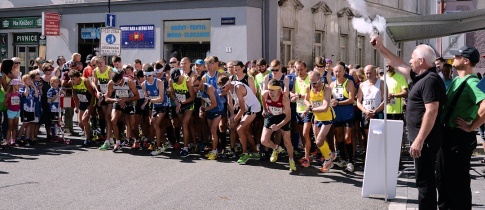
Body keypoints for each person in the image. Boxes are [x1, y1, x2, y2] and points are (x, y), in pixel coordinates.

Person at [372, 36, 445, 209]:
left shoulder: (431, 81)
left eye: (413, 57)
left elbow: (431, 111)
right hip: (421, 139)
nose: (410, 60)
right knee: (423, 181)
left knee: (425, 182)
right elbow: (399, 64)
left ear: (421, 61)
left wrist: (419, 140)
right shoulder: (421, 76)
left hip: (425, 141)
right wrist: (381, 48)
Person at [437, 46, 485, 209]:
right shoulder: (457, 79)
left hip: (459, 137)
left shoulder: (473, 81)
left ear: (466, 61)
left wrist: (472, 126)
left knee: (458, 182)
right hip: (449, 135)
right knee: (443, 179)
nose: (453, 59)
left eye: (457, 56)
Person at [219, 75, 261, 164]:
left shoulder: (237, 88)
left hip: (252, 107)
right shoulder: (229, 88)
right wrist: (232, 116)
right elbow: (230, 103)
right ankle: (256, 153)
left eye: (223, 88)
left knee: (239, 129)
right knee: (245, 131)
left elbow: (241, 109)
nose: (222, 90)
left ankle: (245, 153)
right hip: (247, 108)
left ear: (227, 84)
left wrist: (234, 119)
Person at [260, 79, 295, 171]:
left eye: (273, 90)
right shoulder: (265, 93)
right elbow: (263, 98)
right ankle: (276, 148)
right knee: (263, 141)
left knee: (287, 141)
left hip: (282, 117)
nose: (270, 92)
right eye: (269, 89)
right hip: (271, 116)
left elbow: (288, 117)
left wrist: (278, 126)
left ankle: (291, 161)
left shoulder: (284, 98)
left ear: (279, 90)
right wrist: (264, 109)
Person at [304, 71, 336, 172]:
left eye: (315, 83)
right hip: (317, 117)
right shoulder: (309, 87)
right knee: (319, 143)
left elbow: (325, 107)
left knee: (319, 141)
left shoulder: (326, 89)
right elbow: (306, 99)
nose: (313, 85)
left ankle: (327, 159)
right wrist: (308, 105)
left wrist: (310, 110)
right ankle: (330, 155)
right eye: (311, 82)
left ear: (320, 80)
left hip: (327, 117)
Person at [105, 71, 140, 152]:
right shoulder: (111, 83)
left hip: (129, 101)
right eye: (116, 84)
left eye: (119, 83)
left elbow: (137, 96)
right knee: (113, 120)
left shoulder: (129, 82)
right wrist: (116, 100)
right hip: (118, 101)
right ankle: (117, 142)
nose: (119, 85)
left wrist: (125, 100)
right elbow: (107, 98)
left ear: (122, 78)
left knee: (133, 125)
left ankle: (137, 140)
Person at [331, 64, 356, 172]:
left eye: (339, 71)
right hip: (337, 115)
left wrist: (338, 103)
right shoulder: (332, 84)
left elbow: (351, 99)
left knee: (347, 137)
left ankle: (351, 161)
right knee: (339, 136)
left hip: (347, 114)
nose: (337, 73)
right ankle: (343, 159)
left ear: (344, 71)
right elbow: (330, 99)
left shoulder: (349, 83)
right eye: (335, 71)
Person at [193, 75, 224, 160]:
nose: (195, 87)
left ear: (201, 82)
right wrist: (201, 108)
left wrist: (204, 110)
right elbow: (203, 100)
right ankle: (215, 149)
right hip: (210, 110)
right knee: (211, 131)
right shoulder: (198, 89)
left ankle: (214, 151)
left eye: (197, 85)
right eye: (194, 86)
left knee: (213, 130)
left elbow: (214, 104)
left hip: (218, 109)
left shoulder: (209, 88)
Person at [356, 65, 385, 138]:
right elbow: (358, 101)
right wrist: (365, 111)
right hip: (366, 113)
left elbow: (386, 100)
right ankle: (368, 149)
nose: (368, 75)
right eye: (366, 73)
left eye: (370, 73)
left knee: (377, 136)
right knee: (367, 137)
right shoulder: (362, 85)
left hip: (378, 112)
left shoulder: (381, 83)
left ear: (375, 72)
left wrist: (375, 111)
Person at [69, 70, 96, 147]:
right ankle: (90, 133)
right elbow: (74, 95)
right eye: (71, 79)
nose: (72, 81)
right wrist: (76, 106)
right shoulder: (72, 83)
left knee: (85, 120)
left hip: (90, 101)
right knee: (80, 123)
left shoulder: (85, 81)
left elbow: (93, 95)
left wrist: (91, 106)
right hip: (83, 102)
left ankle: (87, 139)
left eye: (73, 79)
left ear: (78, 77)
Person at [4, 79, 22, 146]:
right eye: (18, 85)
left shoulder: (18, 93)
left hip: (17, 111)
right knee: (10, 127)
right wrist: (10, 105)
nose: (19, 86)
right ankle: (7, 141)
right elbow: (5, 103)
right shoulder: (9, 94)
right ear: (14, 85)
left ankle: (13, 141)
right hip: (11, 112)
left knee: (15, 127)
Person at [47, 76, 62, 142]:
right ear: (51, 83)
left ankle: (58, 134)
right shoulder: (50, 90)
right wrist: (56, 95)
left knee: (59, 121)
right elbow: (49, 100)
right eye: (54, 82)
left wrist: (62, 93)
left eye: (57, 82)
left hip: (59, 107)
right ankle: (53, 135)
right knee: (53, 121)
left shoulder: (59, 89)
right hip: (53, 107)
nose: (56, 84)